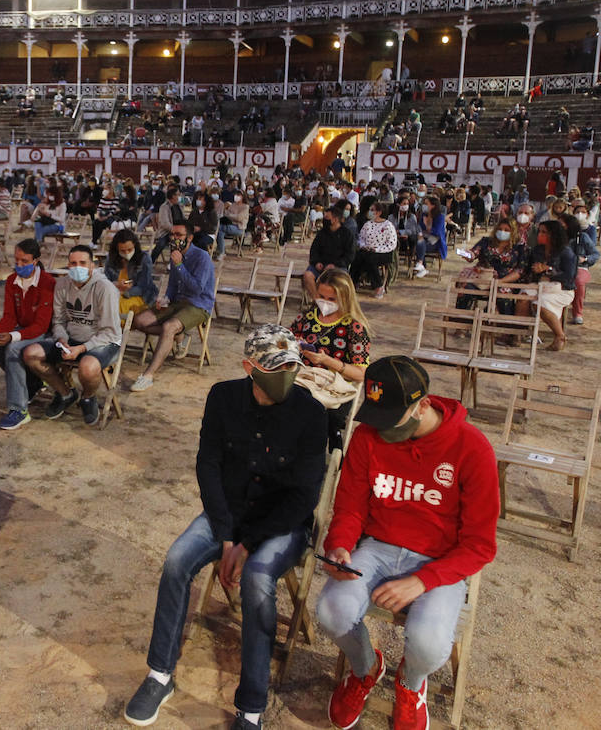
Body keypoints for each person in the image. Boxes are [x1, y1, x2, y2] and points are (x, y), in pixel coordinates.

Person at [124, 325, 326, 730]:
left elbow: (304, 496)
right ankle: (159, 675)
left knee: (255, 579)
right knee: (177, 560)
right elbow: (209, 465)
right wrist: (227, 533)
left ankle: (251, 708)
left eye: (292, 365)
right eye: (276, 367)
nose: (286, 373)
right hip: (229, 514)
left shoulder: (312, 413)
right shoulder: (223, 397)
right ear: (249, 367)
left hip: (280, 523)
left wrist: (247, 544)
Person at [316, 356, 497, 730]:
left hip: (439, 560)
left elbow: (480, 545)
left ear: (423, 405)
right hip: (379, 548)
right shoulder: (368, 435)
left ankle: (411, 683)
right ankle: (366, 668)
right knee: (331, 613)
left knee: (430, 644)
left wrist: (423, 580)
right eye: (376, 417)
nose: (381, 431)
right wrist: (340, 546)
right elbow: (350, 507)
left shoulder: (472, 448)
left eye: (392, 420)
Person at [21, 245, 122, 427]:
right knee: (31, 354)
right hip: (70, 339)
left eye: (83, 263)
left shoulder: (104, 288)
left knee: (88, 367)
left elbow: (110, 331)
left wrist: (82, 348)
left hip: (102, 341)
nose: (77, 267)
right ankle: (65, 392)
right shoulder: (62, 284)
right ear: (67, 264)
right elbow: (58, 320)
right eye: (73, 263)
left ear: (92, 265)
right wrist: (62, 339)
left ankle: (88, 397)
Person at [130, 220, 215, 393]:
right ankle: (178, 336)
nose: (174, 238)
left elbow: (197, 288)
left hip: (198, 305)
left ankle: (148, 375)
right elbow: (173, 285)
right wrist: (166, 297)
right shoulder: (175, 253)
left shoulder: (202, 257)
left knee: (169, 326)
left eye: (179, 235)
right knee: (139, 321)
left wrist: (179, 265)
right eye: (172, 234)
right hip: (177, 302)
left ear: (189, 238)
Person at [291, 268, 371, 450]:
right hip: (303, 379)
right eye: (321, 296)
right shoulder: (307, 316)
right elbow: (288, 338)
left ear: (344, 298)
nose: (324, 303)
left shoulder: (354, 328)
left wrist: (326, 361)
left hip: (335, 388)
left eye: (331, 299)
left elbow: (360, 374)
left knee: (308, 409)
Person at [0, 239, 57, 431]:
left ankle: (19, 410)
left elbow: (42, 325)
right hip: (23, 329)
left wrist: (12, 337)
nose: (19, 265)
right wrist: (1, 333)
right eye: (16, 260)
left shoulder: (47, 283)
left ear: (35, 261)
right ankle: (32, 381)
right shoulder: (12, 281)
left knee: (12, 349)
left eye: (24, 261)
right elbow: (9, 315)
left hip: (44, 333)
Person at [528, 219, 576, 352]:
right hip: (541, 285)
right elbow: (532, 269)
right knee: (524, 296)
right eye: (540, 232)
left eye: (544, 232)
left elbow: (569, 276)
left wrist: (547, 270)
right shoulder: (538, 250)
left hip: (562, 290)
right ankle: (520, 335)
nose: (540, 235)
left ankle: (560, 336)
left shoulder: (566, 252)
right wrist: (536, 269)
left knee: (540, 303)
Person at [303, 203, 356, 300]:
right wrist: (316, 262)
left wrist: (335, 265)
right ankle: (317, 300)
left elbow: (350, 255)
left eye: (327, 217)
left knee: (337, 281)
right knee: (308, 275)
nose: (325, 220)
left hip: (338, 267)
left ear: (335, 219)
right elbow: (314, 250)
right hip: (320, 266)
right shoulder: (322, 233)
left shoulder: (347, 234)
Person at [103, 228, 156, 319]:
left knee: (118, 306)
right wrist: (115, 285)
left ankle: (115, 329)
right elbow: (105, 281)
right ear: (117, 249)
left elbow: (144, 287)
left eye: (129, 249)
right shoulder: (111, 258)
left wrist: (125, 291)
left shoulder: (144, 259)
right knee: (103, 304)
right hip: (115, 294)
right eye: (122, 251)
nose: (126, 253)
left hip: (139, 296)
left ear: (135, 245)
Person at [349, 202, 398, 299]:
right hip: (367, 250)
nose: (369, 212)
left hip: (383, 253)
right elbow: (361, 238)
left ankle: (378, 286)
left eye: (372, 210)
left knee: (370, 259)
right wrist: (364, 246)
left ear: (379, 212)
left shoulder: (388, 225)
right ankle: (352, 282)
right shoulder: (368, 224)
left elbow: (391, 243)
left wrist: (376, 249)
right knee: (357, 257)